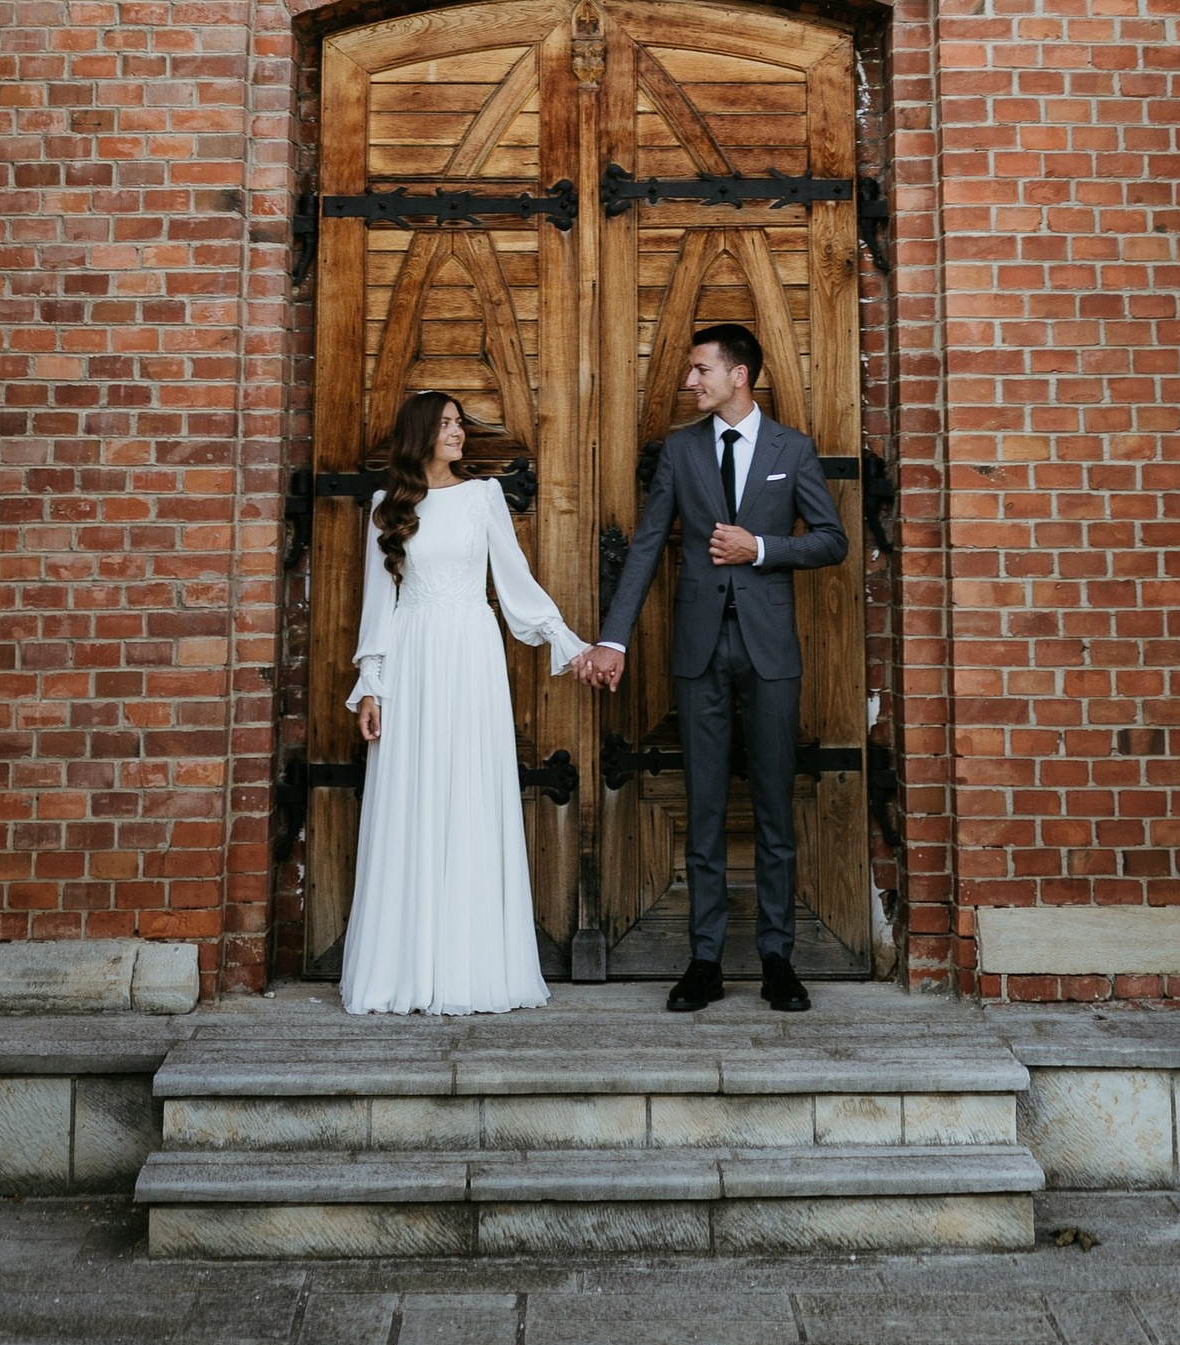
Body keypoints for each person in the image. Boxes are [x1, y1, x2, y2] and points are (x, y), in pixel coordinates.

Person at [577, 322, 847, 1015]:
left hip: (770, 654)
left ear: (739, 375)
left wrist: (760, 548)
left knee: (773, 809)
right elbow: (644, 549)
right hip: (698, 653)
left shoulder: (793, 449)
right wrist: (614, 639)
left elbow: (831, 541)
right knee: (700, 810)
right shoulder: (681, 450)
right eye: (691, 371)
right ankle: (704, 962)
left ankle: (778, 960)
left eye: (700, 370)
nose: (689, 382)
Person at [341, 388, 592, 1016]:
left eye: (461, 425)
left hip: (471, 657)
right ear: (421, 433)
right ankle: (404, 968)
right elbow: (380, 603)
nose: (459, 434)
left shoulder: (483, 498)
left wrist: (567, 640)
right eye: (447, 425)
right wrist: (371, 683)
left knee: (468, 795)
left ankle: (473, 966)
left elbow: (514, 583)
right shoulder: (387, 506)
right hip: (413, 656)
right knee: (413, 798)